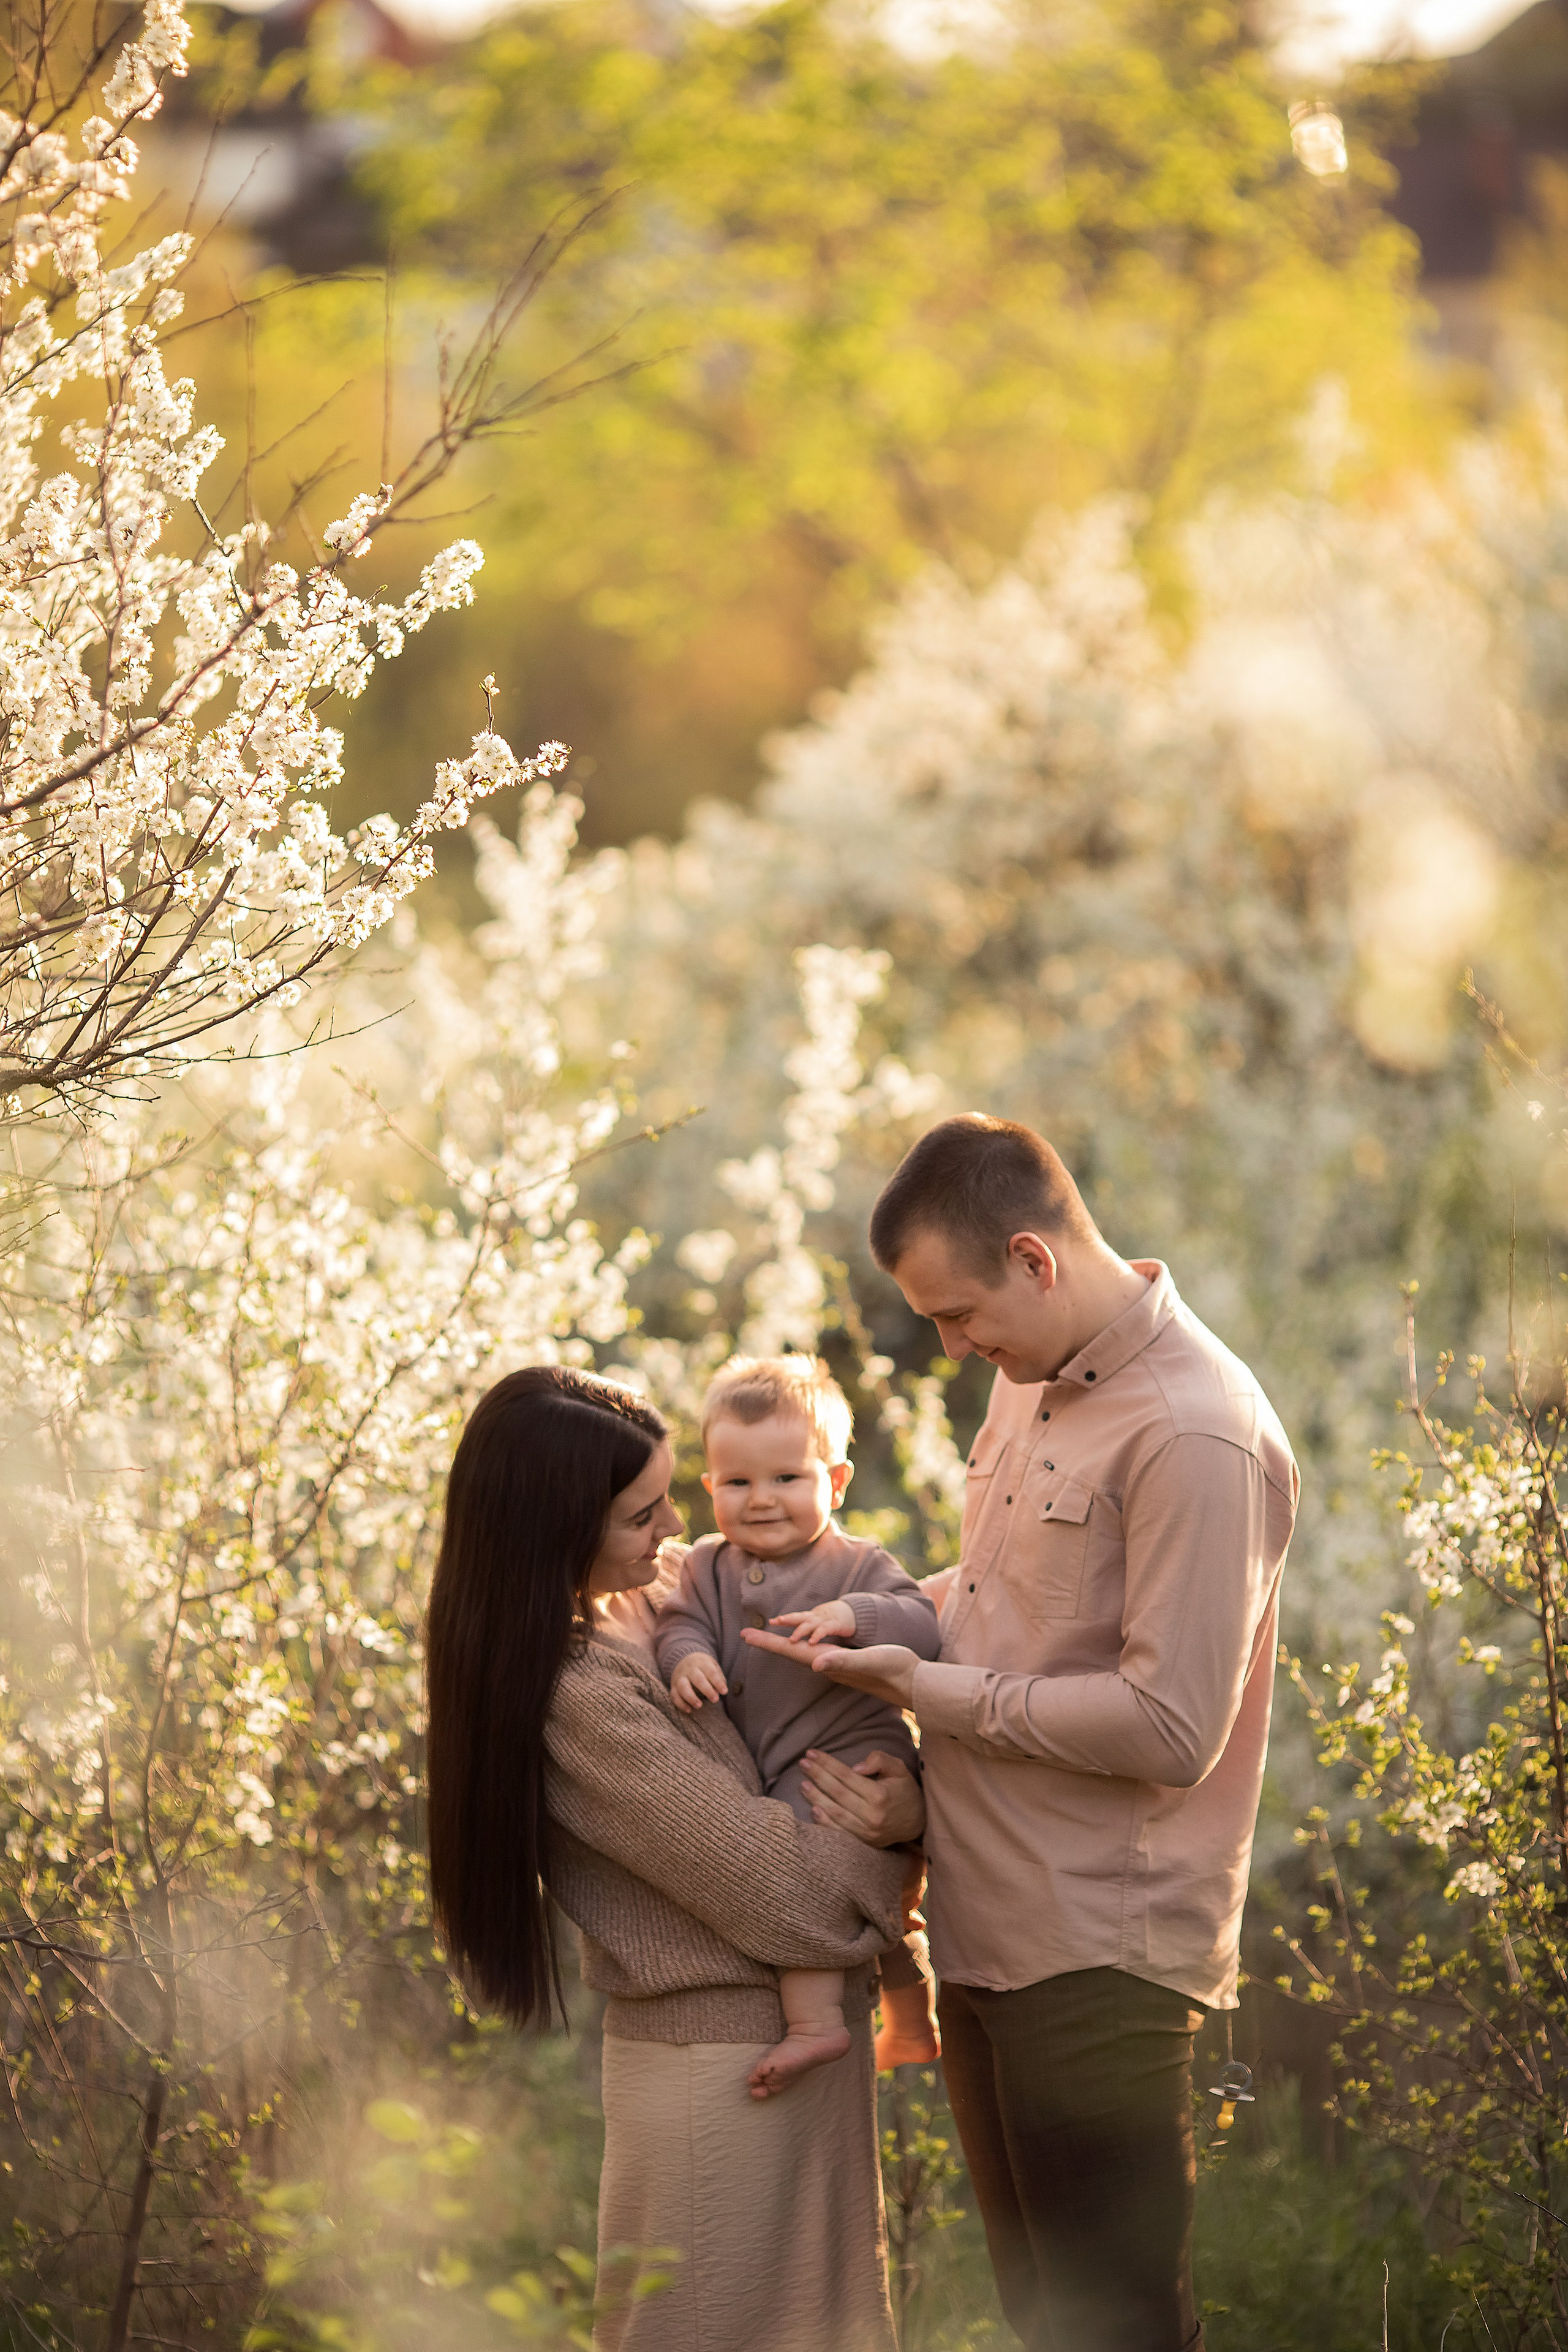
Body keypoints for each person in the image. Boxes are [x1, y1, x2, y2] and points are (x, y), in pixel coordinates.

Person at [744, 1115, 1299, 2352]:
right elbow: (1007, 1599)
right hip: (983, 1931)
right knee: (1038, 2320)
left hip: (1096, 1957)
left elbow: (1166, 1727)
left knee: (1113, 2330)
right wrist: (879, 1613)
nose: (949, 1348)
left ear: (1034, 1260)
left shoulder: (1193, 1434)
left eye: (956, 1315)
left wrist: (919, 1690)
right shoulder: (1030, 1377)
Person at [423, 1363, 923, 2352]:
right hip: (721, 2078)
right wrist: (907, 1845)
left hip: (774, 2061)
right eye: (645, 1516)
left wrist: (902, 1797)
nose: (676, 1534)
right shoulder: (578, 1693)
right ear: (560, 1528)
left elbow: (852, 1604)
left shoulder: (639, 1606)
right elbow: (778, 1889)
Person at [654, 1353, 941, 2097]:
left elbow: (924, 1628)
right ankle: (912, 2017)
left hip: (846, 1756)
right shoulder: (703, 1569)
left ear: (835, 1482)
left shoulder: (856, 1565)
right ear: (709, 1483)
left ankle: (816, 2024)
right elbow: (678, 1627)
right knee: (877, 1903)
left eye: (787, 1479)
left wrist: (855, 1617)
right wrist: (685, 1660)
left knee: (810, 1875)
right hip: (772, 1760)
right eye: (737, 1482)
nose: (761, 1500)